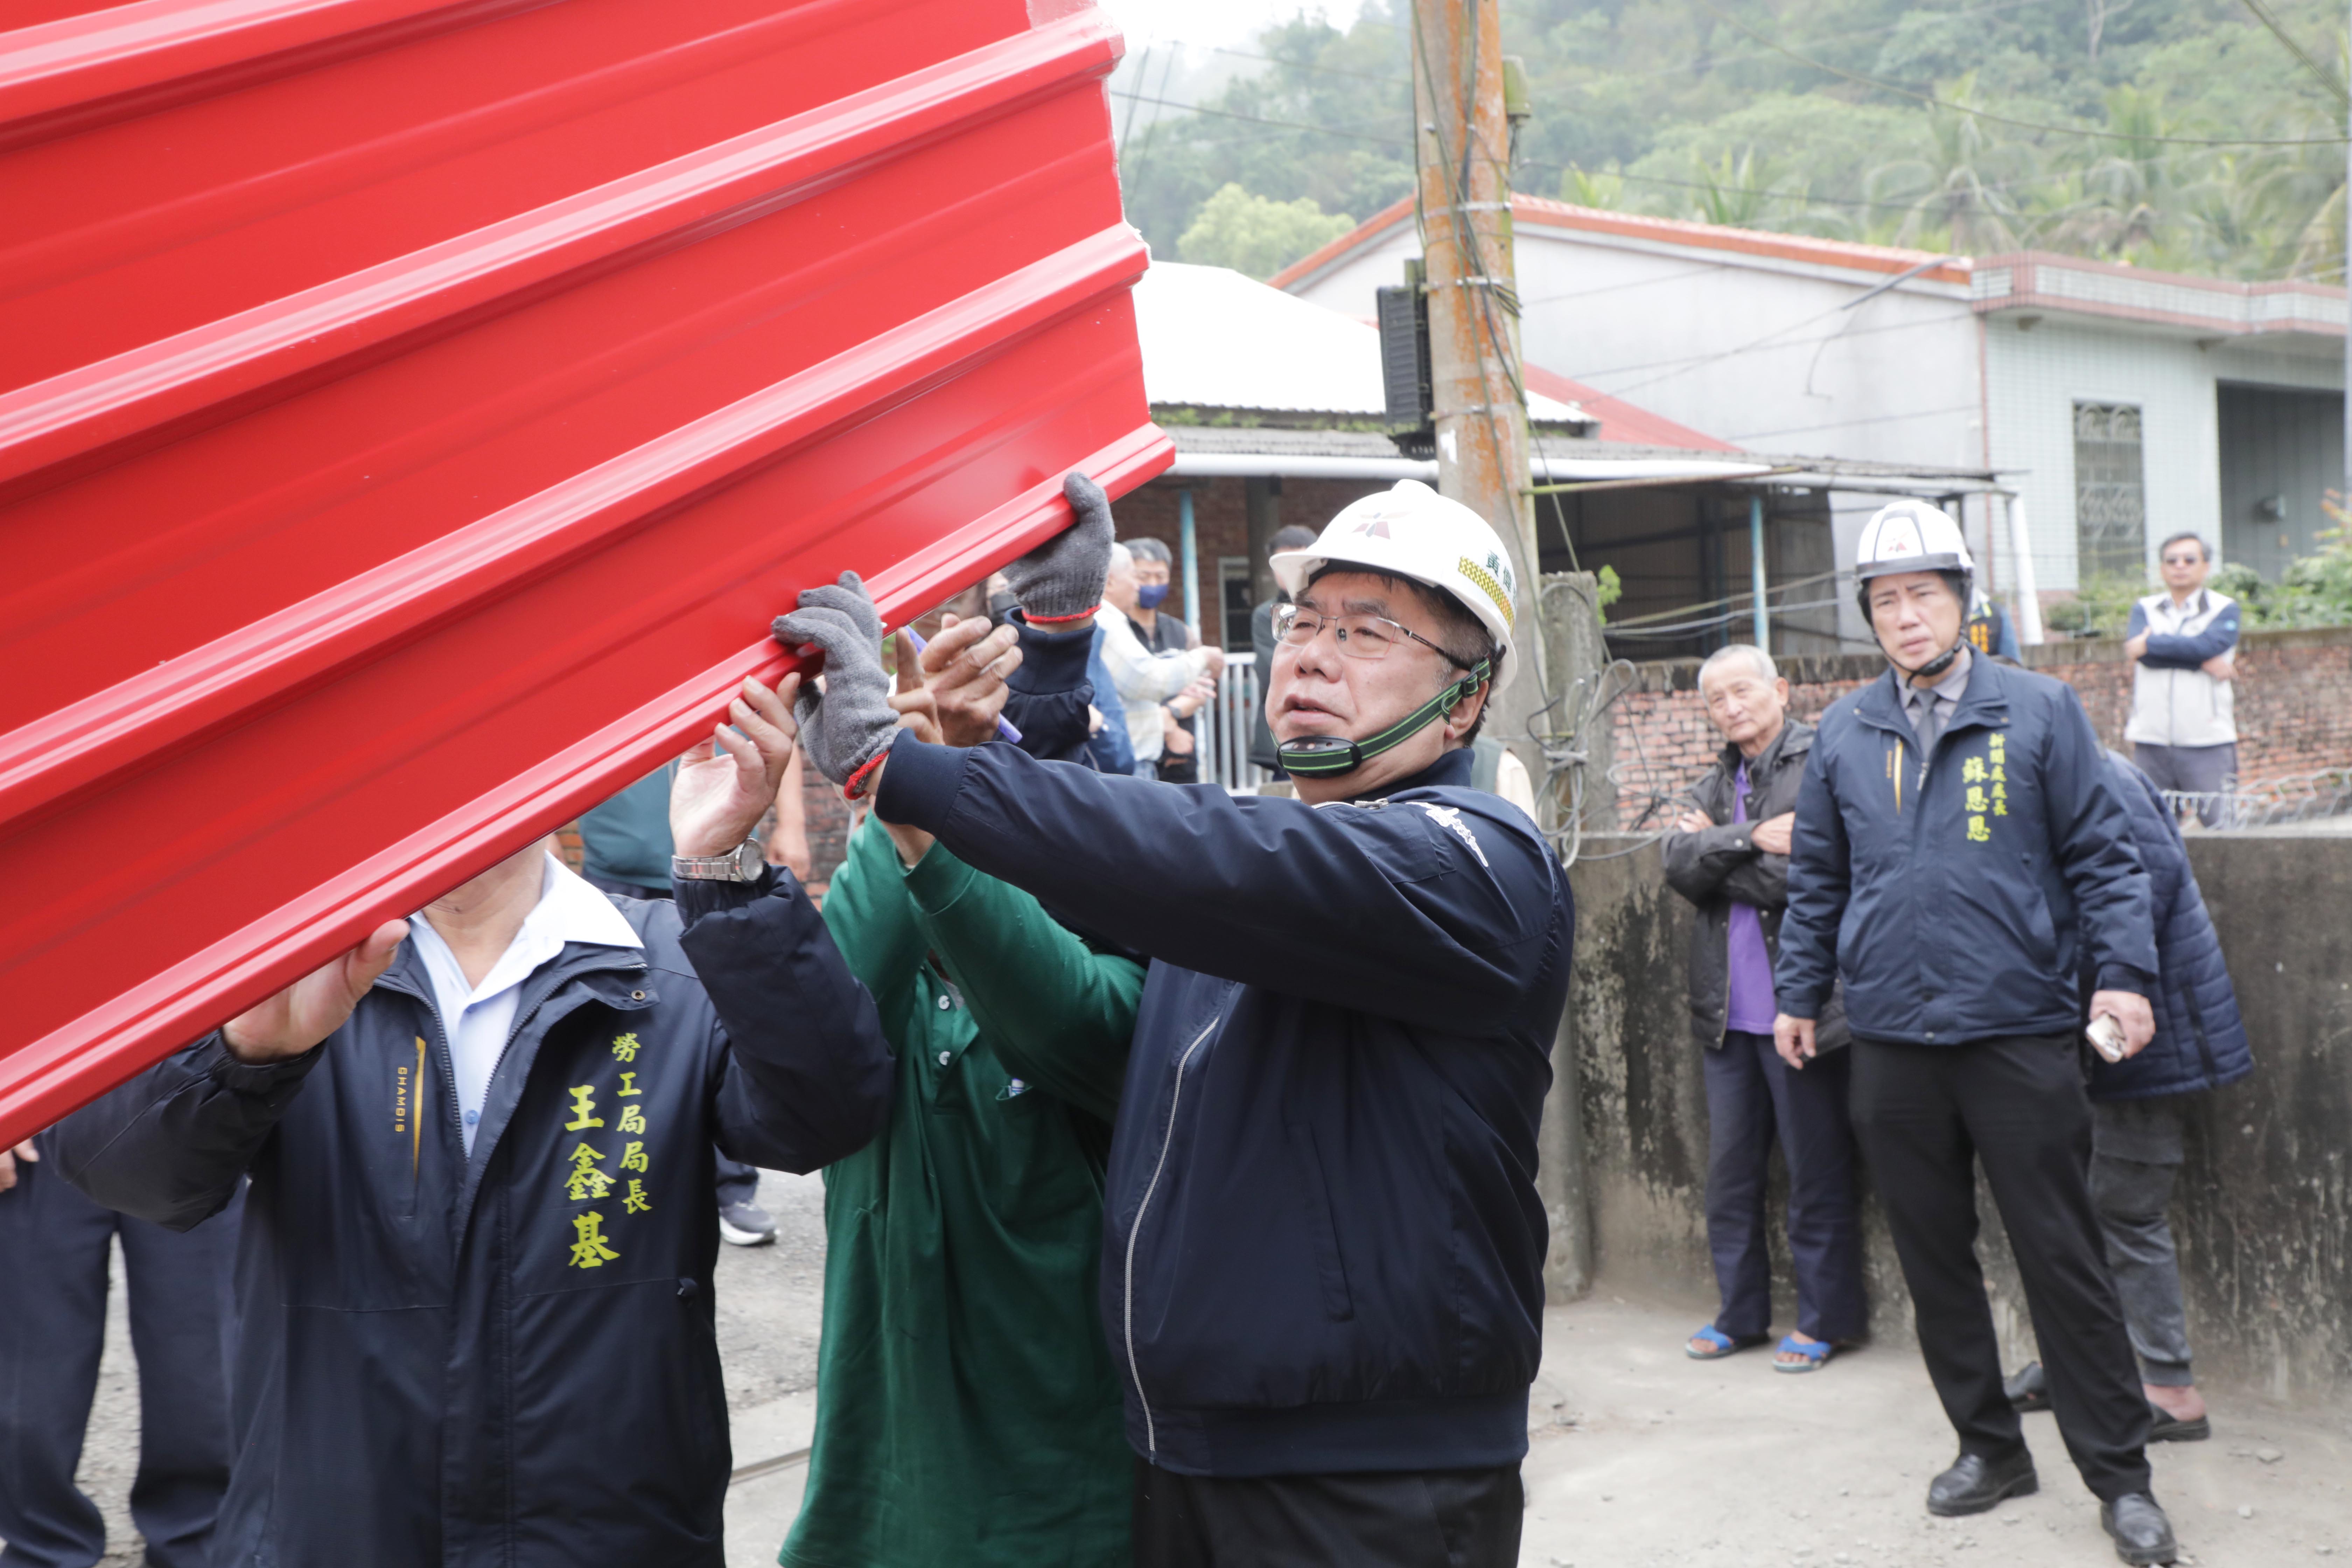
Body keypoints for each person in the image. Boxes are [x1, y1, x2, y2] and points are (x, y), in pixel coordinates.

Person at [776, 475, 1572, 1568]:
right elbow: (1114, 890)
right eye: (1303, 621)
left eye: (1369, 631)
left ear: (1467, 697)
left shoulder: (1470, 863)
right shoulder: (1252, 868)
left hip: (1373, 1475)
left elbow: (1201, 857)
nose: (1310, 653)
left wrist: (897, 766)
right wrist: (1055, 655)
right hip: (1185, 1451)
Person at [51, 673, 892, 1568]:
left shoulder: (671, 962)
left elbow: (826, 1118)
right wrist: (244, 1058)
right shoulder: (292, 972)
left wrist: (727, 874)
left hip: (611, 1524)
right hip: (332, 1522)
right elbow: (125, 1174)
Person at [1773, 499, 2179, 1566]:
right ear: (1867, 616)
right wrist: (1796, 992)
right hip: (1892, 1035)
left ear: (1961, 600)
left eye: (1921, 594)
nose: (1904, 617)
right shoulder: (1843, 733)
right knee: (1932, 1255)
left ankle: (2120, 1475)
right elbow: (1816, 877)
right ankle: (1986, 1445)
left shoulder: (2037, 710)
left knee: (2061, 1254)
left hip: (2016, 1029)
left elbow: (2103, 857)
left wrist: (2126, 976)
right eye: (1883, 600)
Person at [776, 608, 1143, 1568]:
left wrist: (929, 787)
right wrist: (900, 787)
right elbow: (831, 1016)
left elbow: (1067, 1016)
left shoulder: (1135, 971)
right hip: (876, 1507)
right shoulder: (890, 972)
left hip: (1074, 1508)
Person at [2005, 747, 2253, 1444]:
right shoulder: (2059, 770)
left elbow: (2135, 896)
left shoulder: (2095, 774)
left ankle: (2172, 1390)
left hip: (2141, 1034)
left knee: (2124, 1207)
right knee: (2076, 1208)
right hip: (2093, 1037)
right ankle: (2089, 1365)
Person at [1662, 643, 1864, 1373]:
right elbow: (1675, 865)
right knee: (1731, 1175)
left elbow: (1813, 871)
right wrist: (1746, 837)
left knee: (1816, 1170)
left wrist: (1716, 858)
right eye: (1716, 698)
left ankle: (1826, 1318)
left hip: (1803, 1008)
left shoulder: (1819, 763)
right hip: (1727, 1014)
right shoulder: (1719, 777)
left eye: (1743, 690)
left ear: (1780, 688)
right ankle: (1739, 1313)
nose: (1732, 706)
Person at [578, 756, 803, 1247]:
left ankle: (733, 1190)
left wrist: (794, 824)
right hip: (613, 870)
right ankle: (617, 1187)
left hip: (710, 860)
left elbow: (774, 729)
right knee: (613, 1038)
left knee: (729, 1019)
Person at [0, 1141, 235, 1568]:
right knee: (23, 1378)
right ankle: (41, 1549)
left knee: (205, 1371)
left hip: (194, 1098)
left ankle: (199, 1546)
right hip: (38, 1109)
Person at [2124, 534, 2241, 828]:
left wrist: (2152, 645)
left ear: (2206, 566)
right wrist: (2201, 661)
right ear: (2162, 568)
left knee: (2222, 827)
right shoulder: (2145, 608)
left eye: (2190, 560)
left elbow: (2209, 645)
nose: (2180, 566)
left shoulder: (2224, 608)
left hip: (2207, 738)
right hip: (2151, 739)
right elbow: (2142, 656)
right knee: (2151, 830)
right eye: (2172, 561)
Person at [1098, 540, 1221, 779]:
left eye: (1160, 576)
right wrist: (1203, 657)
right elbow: (1149, 679)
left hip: (1177, 753)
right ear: (1111, 580)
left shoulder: (1179, 631)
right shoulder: (1110, 624)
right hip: (1133, 755)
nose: (1143, 586)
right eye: (1140, 576)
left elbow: (1204, 685)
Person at [1248, 523, 1323, 777]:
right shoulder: (1267, 614)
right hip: (1290, 718)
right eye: (1283, 563)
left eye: (1301, 558)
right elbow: (1273, 667)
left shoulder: (1333, 608)